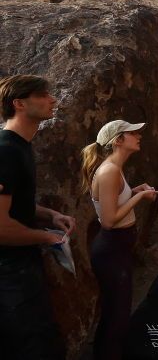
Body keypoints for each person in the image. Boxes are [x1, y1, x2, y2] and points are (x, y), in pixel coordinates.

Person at [0, 74, 76, 360]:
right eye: (43, 94)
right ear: (19, 103)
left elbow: (16, 206)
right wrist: (46, 237)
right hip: (8, 275)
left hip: (20, 269)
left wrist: (51, 216)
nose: (52, 99)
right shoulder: (5, 151)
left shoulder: (19, 146)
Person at [81, 119, 158, 360]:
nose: (138, 136)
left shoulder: (114, 168)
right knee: (117, 316)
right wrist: (141, 197)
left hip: (116, 248)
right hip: (111, 249)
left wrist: (133, 191)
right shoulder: (110, 170)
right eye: (132, 133)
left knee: (117, 312)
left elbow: (112, 203)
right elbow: (108, 220)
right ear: (118, 140)